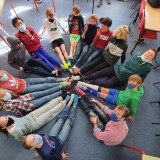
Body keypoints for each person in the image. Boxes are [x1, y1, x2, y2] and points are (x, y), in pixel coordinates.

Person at [22, 94, 79, 160]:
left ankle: (68, 104)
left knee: (59, 120)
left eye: (33, 135)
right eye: (33, 140)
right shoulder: (46, 155)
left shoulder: (38, 138)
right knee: (67, 124)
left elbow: (41, 138)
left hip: (51, 136)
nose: (36, 136)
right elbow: (55, 158)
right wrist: (61, 157)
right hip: (59, 143)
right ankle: (74, 106)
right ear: (32, 147)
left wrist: (38, 151)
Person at [0, 94, 71, 141]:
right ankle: (65, 101)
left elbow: (17, 117)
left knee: (46, 107)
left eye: (5, 118)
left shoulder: (8, 117)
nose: (7, 119)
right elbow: (24, 138)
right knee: (50, 113)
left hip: (30, 116)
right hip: (35, 123)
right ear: (3, 127)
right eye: (6, 121)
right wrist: (32, 135)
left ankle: (61, 97)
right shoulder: (15, 132)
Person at [76, 48, 158, 88]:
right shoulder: (138, 54)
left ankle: (90, 81)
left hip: (122, 78)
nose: (148, 55)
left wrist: (140, 83)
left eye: (151, 55)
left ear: (152, 59)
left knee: (106, 84)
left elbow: (142, 77)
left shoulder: (148, 67)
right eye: (148, 52)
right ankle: (84, 77)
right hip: (118, 68)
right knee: (100, 72)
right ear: (146, 51)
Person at [77, 74, 144, 122]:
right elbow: (140, 86)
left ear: (137, 85)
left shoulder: (135, 98)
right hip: (119, 93)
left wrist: (132, 115)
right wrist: (141, 85)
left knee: (102, 94)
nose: (130, 82)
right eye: (129, 80)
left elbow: (134, 107)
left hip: (118, 100)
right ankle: (84, 84)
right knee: (104, 89)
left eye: (132, 82)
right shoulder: (133, 86)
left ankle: (83, 87)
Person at [0, 82, 70, 116]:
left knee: (45, 92)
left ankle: (61, 86)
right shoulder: (6, 106)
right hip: (29, 105)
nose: (5, 93)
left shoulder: (6, 91)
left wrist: (8, 94)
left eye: (4, 91)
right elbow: (17, 110)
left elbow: (16, 95)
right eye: (3, 95)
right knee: (46, 98)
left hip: (27, 97)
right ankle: (62, 91)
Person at [0, 70, 69, 94]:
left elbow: (12, 78)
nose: (3, 75)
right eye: (1, 76)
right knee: (45, 86)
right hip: (25, 89)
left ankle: (62, 79)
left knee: (44, 80)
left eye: (2, 74)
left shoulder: (4, 72)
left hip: (24, 81)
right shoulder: (1, 88)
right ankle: (61, 84)